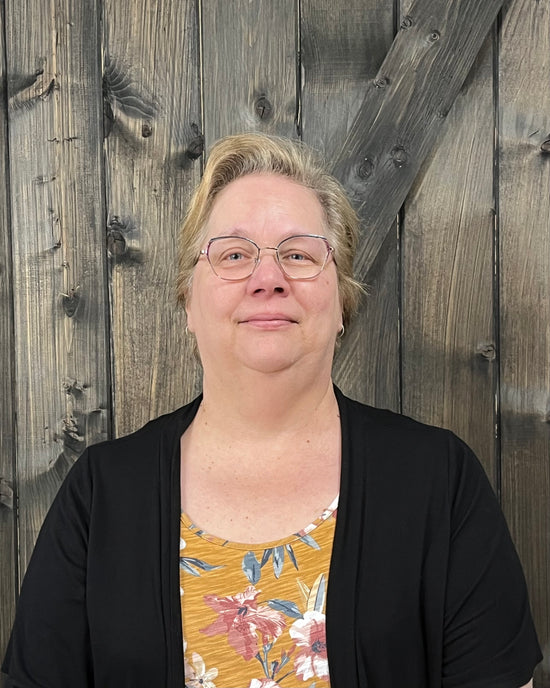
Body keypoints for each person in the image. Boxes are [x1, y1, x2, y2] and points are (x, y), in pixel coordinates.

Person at [2, 133, 542, 688]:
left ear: (342, 301)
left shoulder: (439, 481)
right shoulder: (101, 497)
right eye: (234, 255)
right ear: (189, 302)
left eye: (298, 255)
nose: (268, 279)